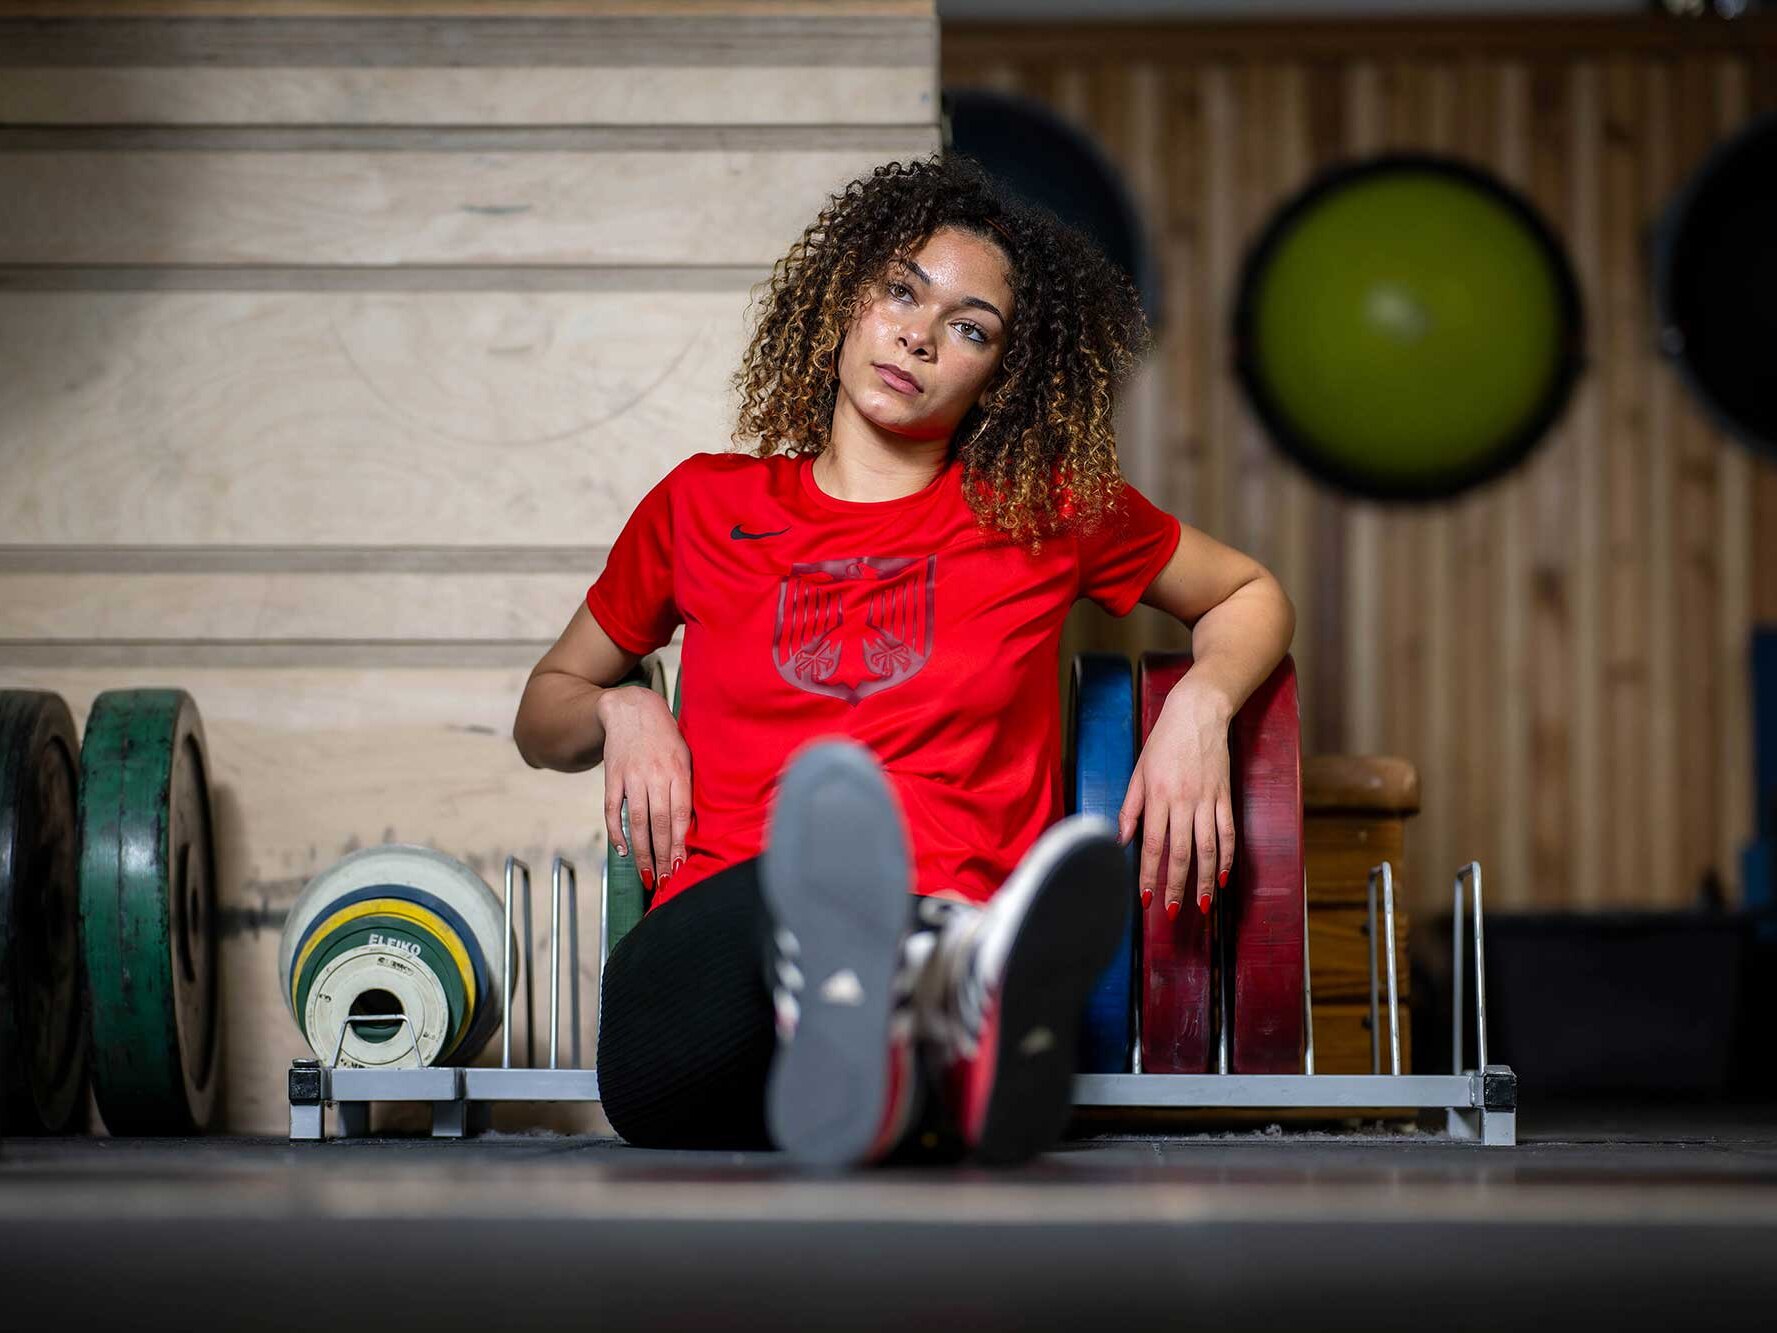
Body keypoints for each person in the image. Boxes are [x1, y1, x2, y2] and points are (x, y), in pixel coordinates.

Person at [512, 153, 1295, 1168]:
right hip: (717, 976)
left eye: (970, 328)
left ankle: (915, 1018)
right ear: (844, 298)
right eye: (900, 291)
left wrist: (1200, 705)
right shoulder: (702, 506)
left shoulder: (1042, 510)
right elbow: (543, 712)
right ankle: (909, 1013)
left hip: (944, 925)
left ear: (1001, 374)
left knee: (904, 961)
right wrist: (622, 707)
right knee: (771, 914)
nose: (919, 335)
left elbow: (1246, 593)